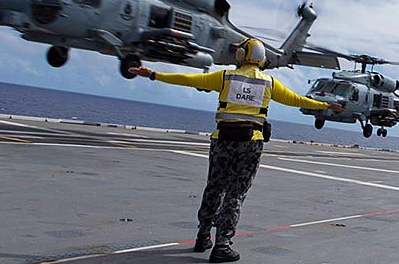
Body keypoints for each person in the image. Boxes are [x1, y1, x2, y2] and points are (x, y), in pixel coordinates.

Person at [129, 38, 344, 263]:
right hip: (250, 143)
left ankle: (203, 236)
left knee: (214, 187)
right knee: (235, 194)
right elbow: (298, 100)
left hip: (222, 140)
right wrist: (327, 106)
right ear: (261, 58)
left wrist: (153, 74)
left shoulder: (225, 77)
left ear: (242, 55)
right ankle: (222, 245)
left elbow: (188, 79)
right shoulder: (269, 83)